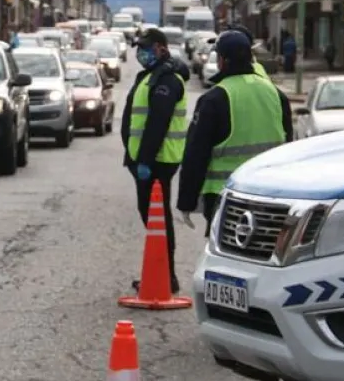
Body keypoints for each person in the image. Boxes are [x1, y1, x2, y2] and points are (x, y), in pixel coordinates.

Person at [177, 31, 294, 233]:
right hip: (270, 195)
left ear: (221, 61)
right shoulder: (276, 94)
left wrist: (187, 201)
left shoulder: (214, 99)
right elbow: (288, 145)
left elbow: (196, 154)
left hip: (225, 197)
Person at [120, 28, 189, 294]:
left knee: (158, 219)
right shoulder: (151, 76)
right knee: (151, 217)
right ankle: (160, 272)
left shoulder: (167, 80)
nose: (141, 53)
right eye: (139, 48)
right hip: (144, 161)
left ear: (161, 48)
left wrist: (145, 160)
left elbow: (157, 123)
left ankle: (165, 275)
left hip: (158, 161)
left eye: (147, 48)